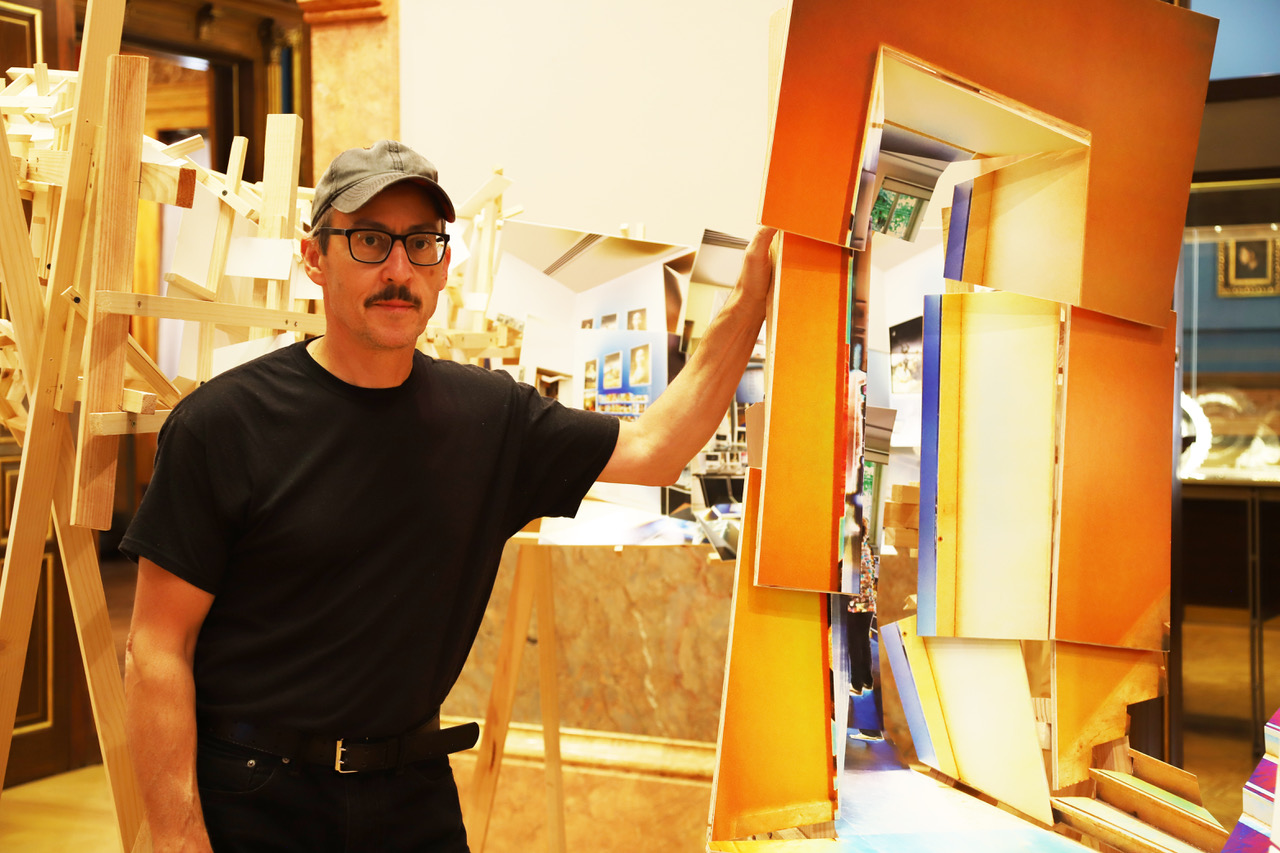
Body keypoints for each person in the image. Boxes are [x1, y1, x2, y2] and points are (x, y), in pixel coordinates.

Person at [122, 139, 776, 853]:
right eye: (370, 240)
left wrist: (748, 305)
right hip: (258, 797)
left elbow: (655, 450)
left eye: (421, 243)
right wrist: (177, 839)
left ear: (442, 266)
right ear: (314, 258)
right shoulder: (223, 424)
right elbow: (157, 645)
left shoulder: (488, 417)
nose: (399, 270)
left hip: (411, 794)